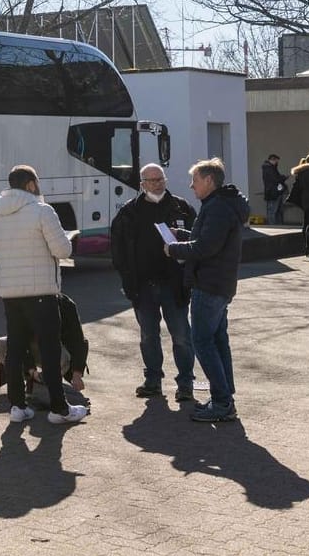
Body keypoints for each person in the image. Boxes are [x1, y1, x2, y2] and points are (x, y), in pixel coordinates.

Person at [0, 164, 87, 425]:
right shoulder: (43, 211)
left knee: (16, 349)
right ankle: (59, 409)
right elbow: (63, 250)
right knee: (50, 349)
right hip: (41, 291)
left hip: (10, 292)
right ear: (31, 184)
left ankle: (17, 407)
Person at [164, 158, 247, 423]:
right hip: (217, 283)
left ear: (209, 181)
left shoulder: (218, 208)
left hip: (210, 285)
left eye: (195, 180)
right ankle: (224, 397)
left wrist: (174, 248)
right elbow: (207, 239)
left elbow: (206, 248)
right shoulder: (219, 205)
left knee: (202, 341)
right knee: (218, 340)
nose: (191, 186)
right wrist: (183, 235)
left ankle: (222, 402)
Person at [111, 163, 197, 401]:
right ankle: (152, 381)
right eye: (152, 180)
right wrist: (128, 281)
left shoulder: (182, 208)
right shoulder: (129, 213)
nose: (157, 184)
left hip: (175, 284)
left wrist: (189, 276)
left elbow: (198, 244)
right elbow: (117, 251)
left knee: (181, 336)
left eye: (160, 179)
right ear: (142, 184)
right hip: (143, 287)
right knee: (148, 336)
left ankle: (186, 383)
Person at [261, 154, 287, 228]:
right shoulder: (268, 168)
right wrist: (283, 178)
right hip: (273, 193)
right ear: (273, 160)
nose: (277, 163)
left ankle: (277, 226)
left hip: (275, 192)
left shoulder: (271, 168)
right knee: (273, 211)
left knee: (277, 211)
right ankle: (273, 226)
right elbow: (275, 179)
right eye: (276, 161)